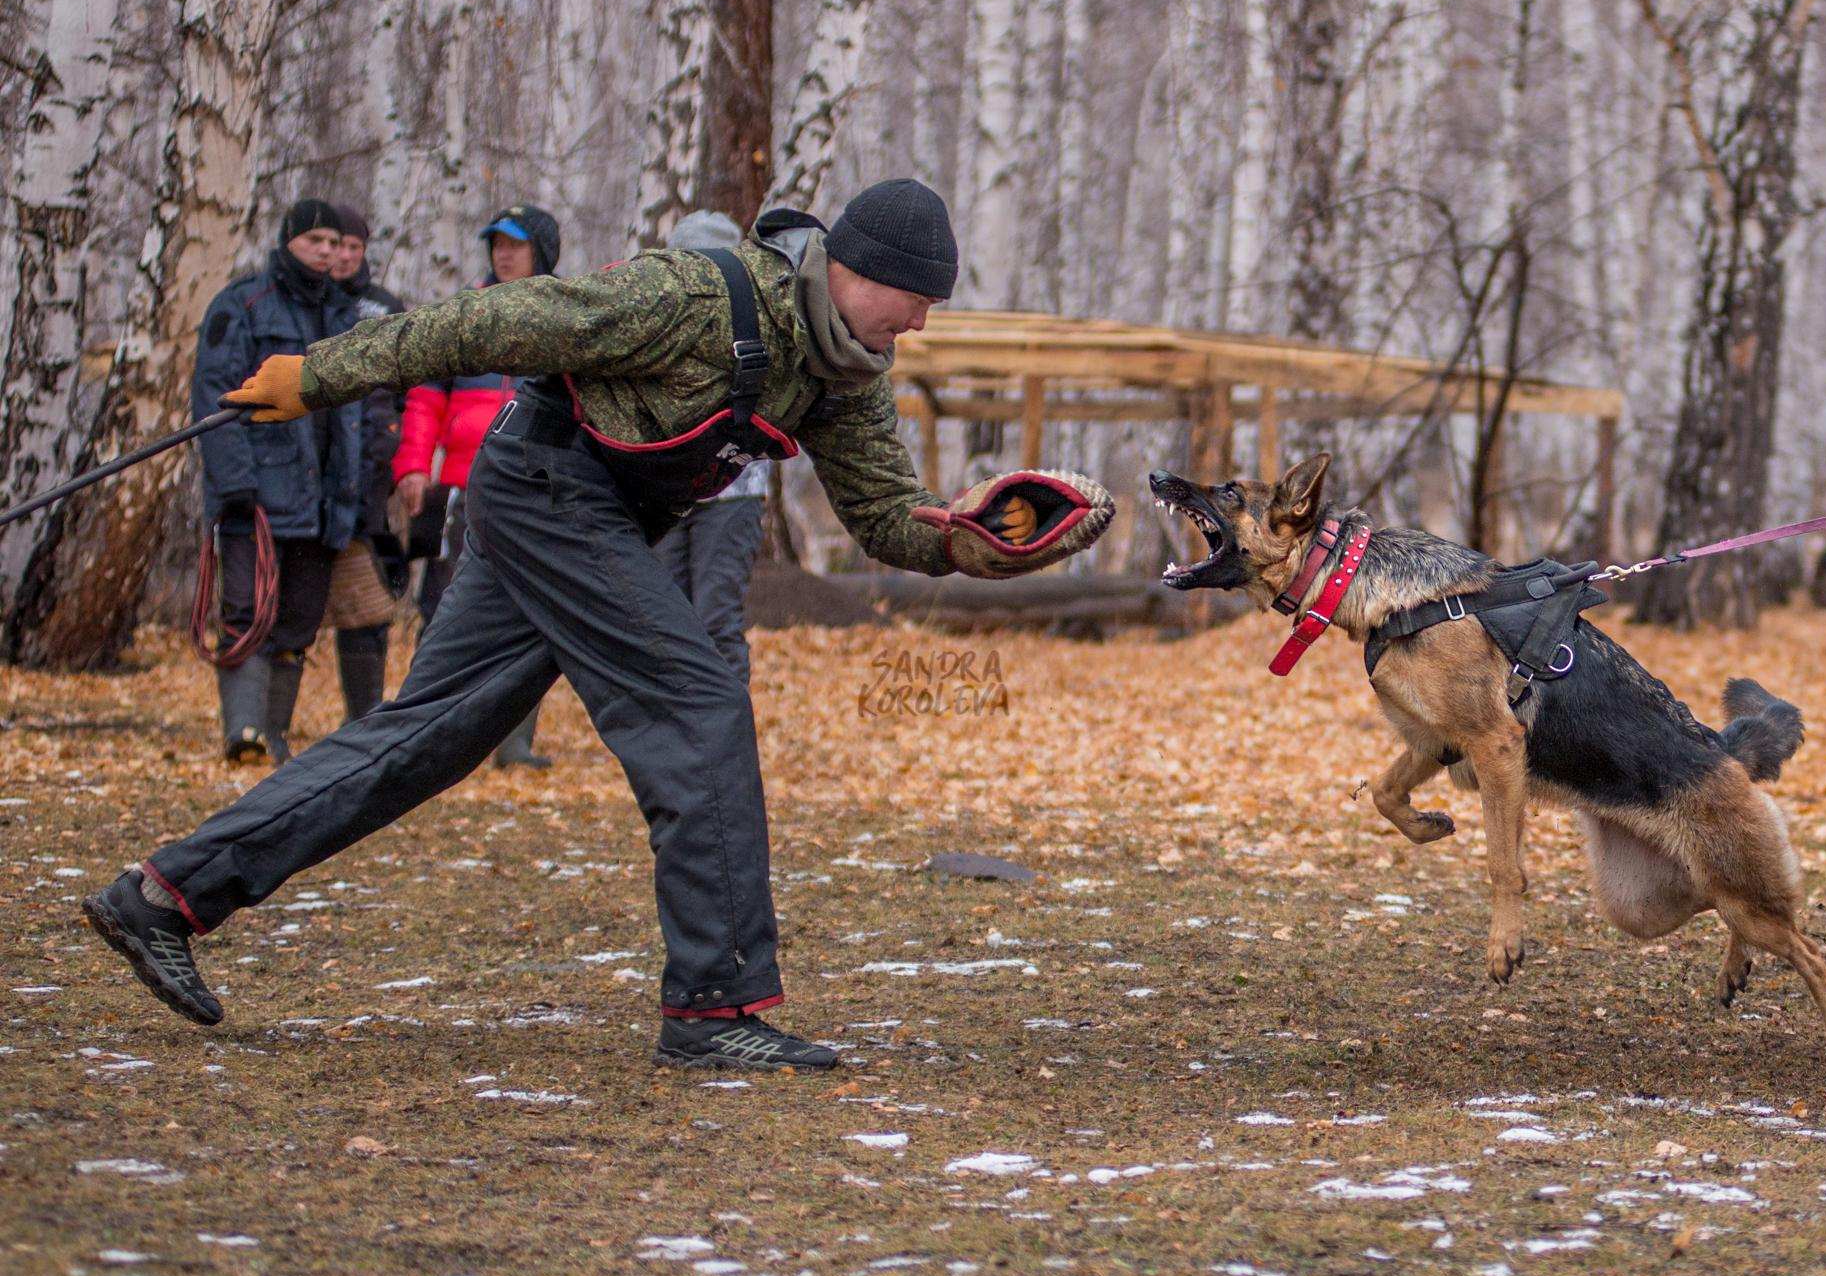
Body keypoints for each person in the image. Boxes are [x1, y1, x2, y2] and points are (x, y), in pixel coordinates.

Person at [85, 180, 1113, 1071]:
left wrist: (970, 538)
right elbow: (487, 325)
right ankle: (717, 1009)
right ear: (858, 267)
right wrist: (320, 375)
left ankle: (165, 895)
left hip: (592, 516)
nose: (922, 324)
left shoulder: (844, 372)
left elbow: (887, 518)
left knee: (427, 737)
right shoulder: (691, 296)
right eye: (917, 300)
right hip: (544, 488)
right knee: (698, 697)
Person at [191, 198, 365, 763]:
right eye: (315, 239)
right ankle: (241, 734)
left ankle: (274, 735)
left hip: (323, 502)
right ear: (288, 240)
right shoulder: (242, 304)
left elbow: (355, 417)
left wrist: (353, 492)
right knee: (246, 611)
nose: (326, 250)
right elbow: (214, 396)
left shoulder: (345, 315)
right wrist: (234, 483)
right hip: (258, 496)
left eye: (335, 242)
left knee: (298, 622)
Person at [393, 205, 562, 765]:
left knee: (532, 614)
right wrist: (414, 466)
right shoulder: (464, 312)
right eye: (496, 244)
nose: (503, 253)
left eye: (516, 244)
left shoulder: (569, 310)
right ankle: (424, 734)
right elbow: (424, 397)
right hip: (461, 489)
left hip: (538, 490)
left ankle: (513, 745)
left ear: (541, 249)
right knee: (443, 609)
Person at [654, 210, 770, 681]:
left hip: (734, 489)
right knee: (666, 622)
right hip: (666, 488)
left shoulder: (759, 322)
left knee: (714, 619)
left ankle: (726, 741)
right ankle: (676, 739)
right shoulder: (656, 320)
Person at [325, 205, 408, 721]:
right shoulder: (308, 304)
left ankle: (364, 718)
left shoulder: (384, 307)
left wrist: (397, 454)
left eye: (355, 247)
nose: (346, 257)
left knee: (370, 601)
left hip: (373, 479)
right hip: (315, 478)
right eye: (338, 246)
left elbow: (404, 390)